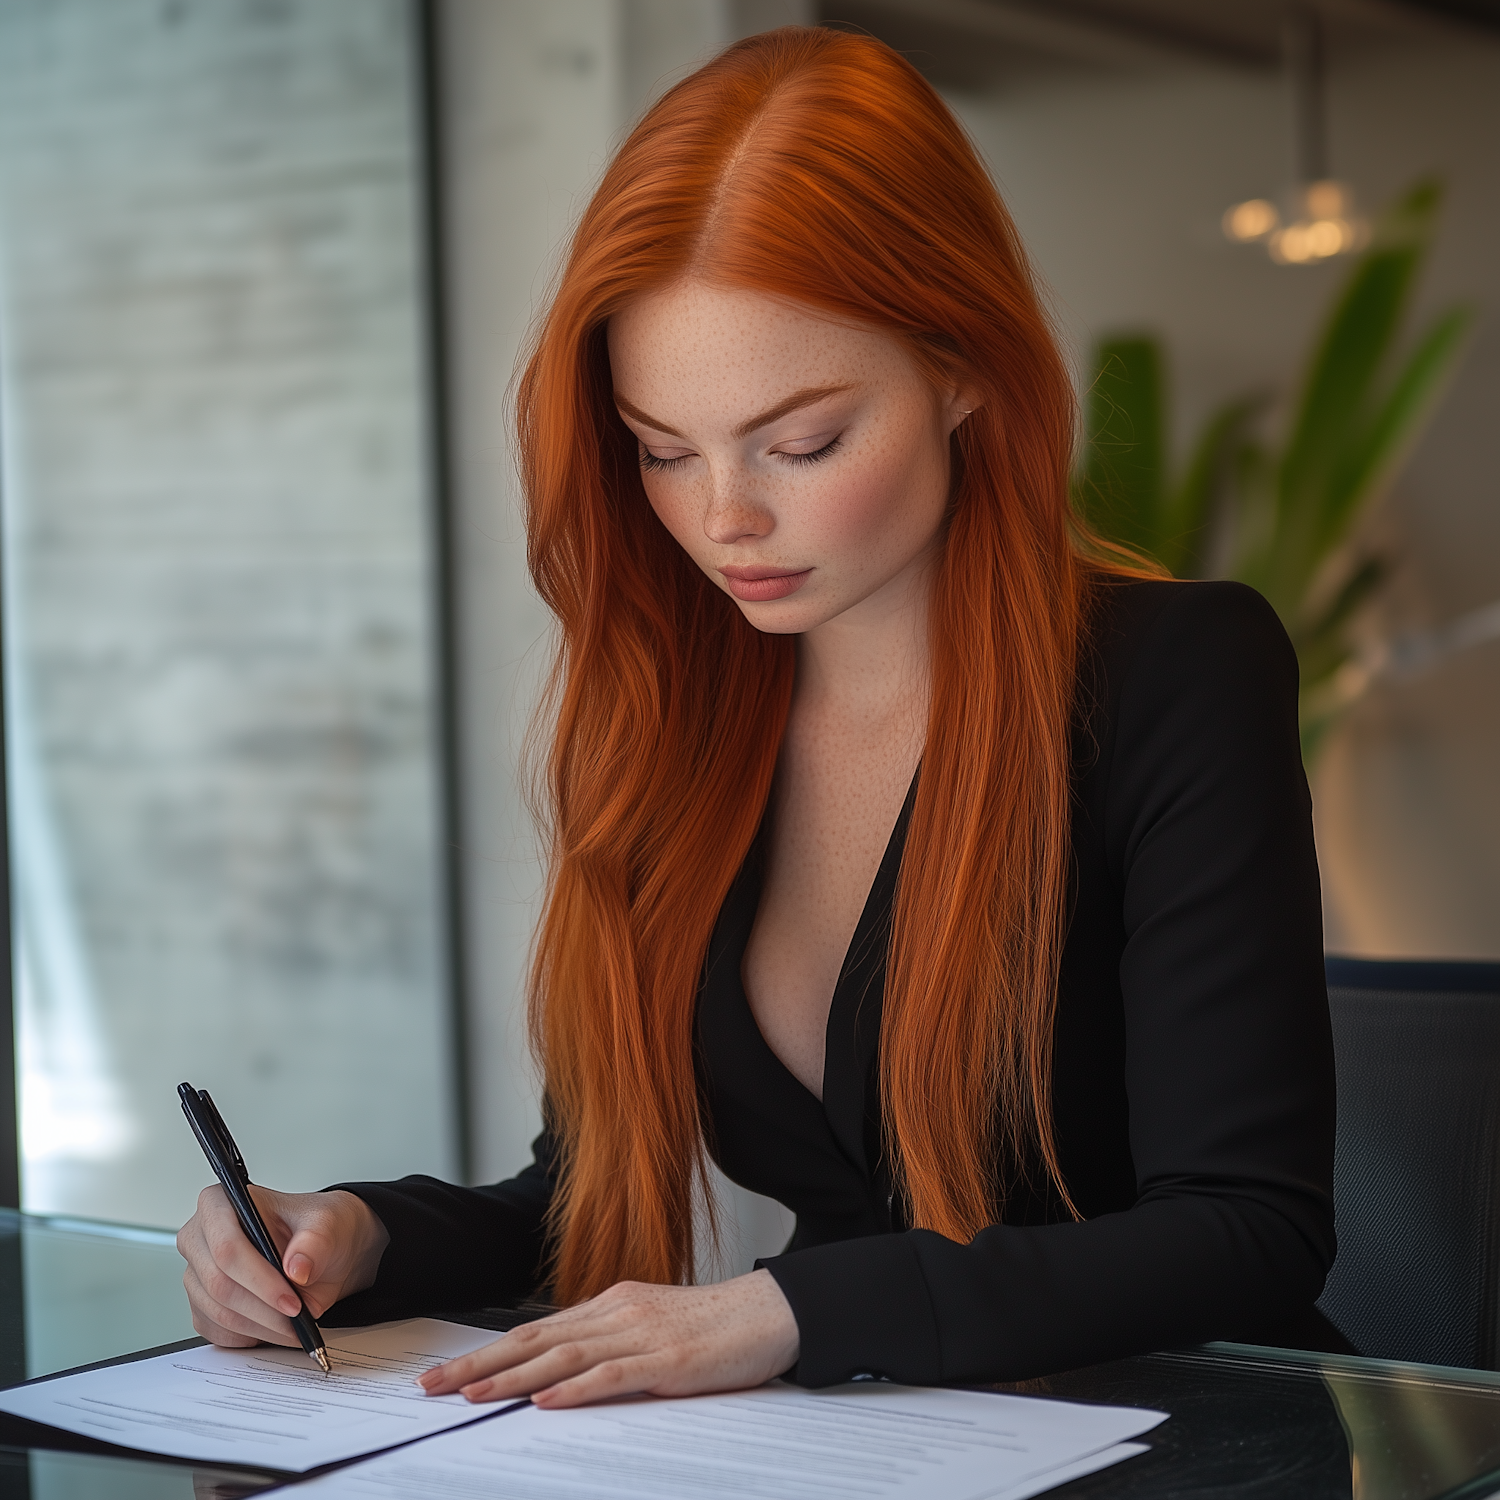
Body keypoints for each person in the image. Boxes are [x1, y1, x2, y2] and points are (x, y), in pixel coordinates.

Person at [177, 27, 1343, 1410]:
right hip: (847, 1443)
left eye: (801, 443)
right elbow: (588, 1193)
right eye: (664, 451)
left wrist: (787, 1311)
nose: (724, 520)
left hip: (1163, 1438)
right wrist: (361, 1238)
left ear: (964, 371)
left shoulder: (1175, 675)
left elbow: (1249, 1233)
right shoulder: (683, 707)